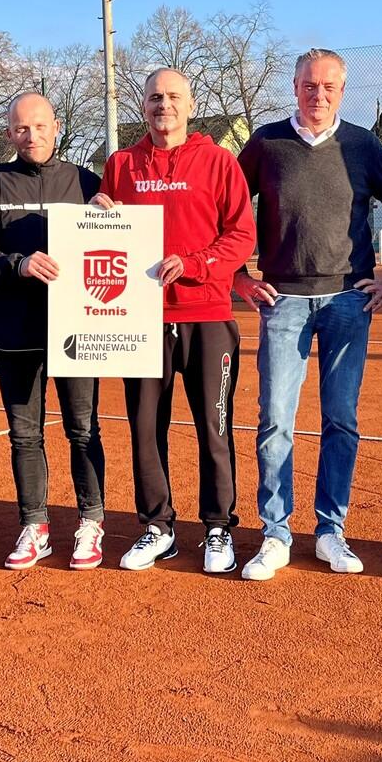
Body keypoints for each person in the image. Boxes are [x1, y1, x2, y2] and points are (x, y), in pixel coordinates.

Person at [233, 48, 382, 581]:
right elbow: (229, 207)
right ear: (294, 86)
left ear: (342, 90)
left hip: (346, 302)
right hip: (282, 299)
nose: (318, 95)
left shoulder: (362, 143)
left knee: (341, 421)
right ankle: (276, 532)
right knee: (275, 422)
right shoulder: (265, 142)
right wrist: (239, 273)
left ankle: (331, 530)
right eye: (310, 85)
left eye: (329, 87)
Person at [92, 68, 256, 575]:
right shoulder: (121, 164)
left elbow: (241, 236)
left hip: (207, 314)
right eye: (155, 97)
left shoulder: (219, 162)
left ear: (190, 104)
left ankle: (217, 526)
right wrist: (97, 211)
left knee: (214, 425)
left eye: (173, 97)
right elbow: (106, 234)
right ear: (143, 104)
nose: (163, 105)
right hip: (138, 318)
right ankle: (157, 527)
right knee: (145, 427)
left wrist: (196, 263)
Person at [0, 93, 109, 572]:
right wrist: (16, 264)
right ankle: (35, 525)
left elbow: (114, 242)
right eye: (22, 128)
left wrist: (110, 217)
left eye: (40, 126)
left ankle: (91, 521)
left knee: (83, 429)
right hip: (15, 327)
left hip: (79, 327)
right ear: (9, 133)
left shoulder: (85, 181)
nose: (32, 135)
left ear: (57, 127)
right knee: (24, 434)